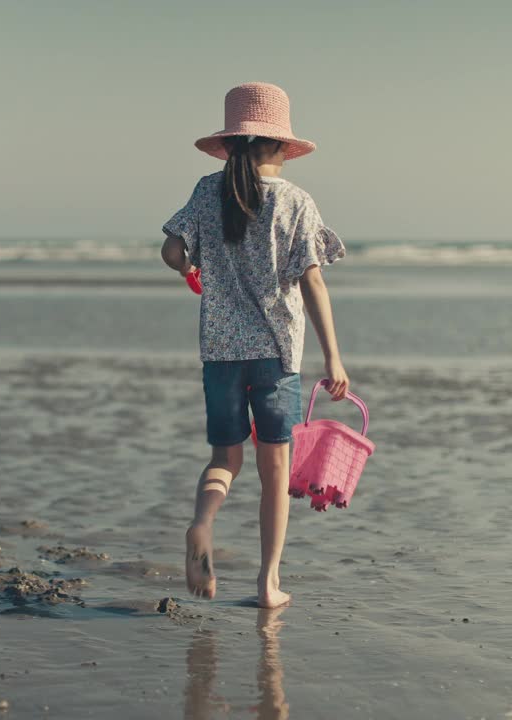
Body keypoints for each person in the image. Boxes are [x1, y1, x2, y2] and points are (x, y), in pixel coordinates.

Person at [160, 82, 349, 608]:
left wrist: (189, 263)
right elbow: (312, 281)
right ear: (281, 146)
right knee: (275, 471)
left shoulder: (206, 191)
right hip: (276, 355)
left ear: (232, 143)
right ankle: (268, 584)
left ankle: (202, 523)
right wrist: (333, 356)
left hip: (219, 352)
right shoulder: (295, 202)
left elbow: (171, 248)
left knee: (225, 457)